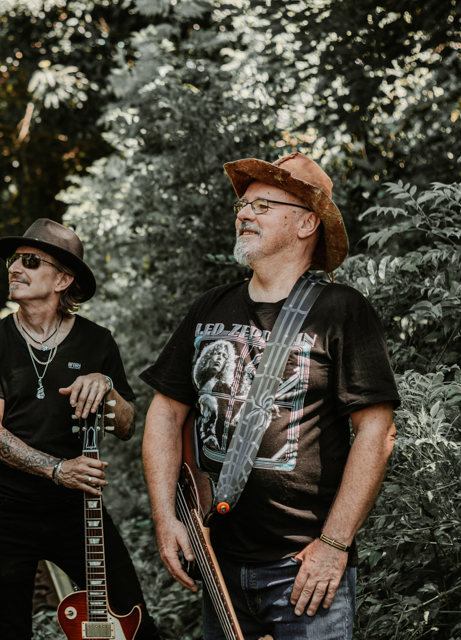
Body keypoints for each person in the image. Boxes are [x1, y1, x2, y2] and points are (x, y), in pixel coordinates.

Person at [141, 152, 399, 639]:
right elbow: (164, 414)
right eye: (242, 203)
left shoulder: (342, 311)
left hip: (303, 570)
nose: (244, 212)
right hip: (217, 559)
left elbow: (377, 433)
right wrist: (167, 518)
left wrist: (334, 544)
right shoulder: (209, 306)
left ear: (306, 223)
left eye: (262, 204)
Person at [0, 218, 160, 639]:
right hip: (4, 509)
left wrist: (106, 387)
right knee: (10, 630)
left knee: (135, 623)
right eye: (12, 261)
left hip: (78, 512)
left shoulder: (97, 342)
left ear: (62, 279)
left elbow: (127, 426)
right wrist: (58, 470)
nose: (14, 269)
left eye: (30, 261)